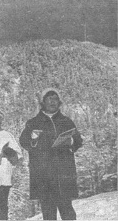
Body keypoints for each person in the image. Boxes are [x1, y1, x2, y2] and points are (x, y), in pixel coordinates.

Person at [19, 88, 83, 220]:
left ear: (59, 102)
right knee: (48, 213)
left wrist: (71, 141)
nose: (53, 102)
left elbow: (78, 140)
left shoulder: (66, 121)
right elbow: (24, 142)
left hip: (63, 173)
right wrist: (33, 139)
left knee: (68, 211)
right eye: (49, 99)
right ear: (43, 102)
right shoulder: (33, 122)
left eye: (55, 99)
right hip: (44, 174)